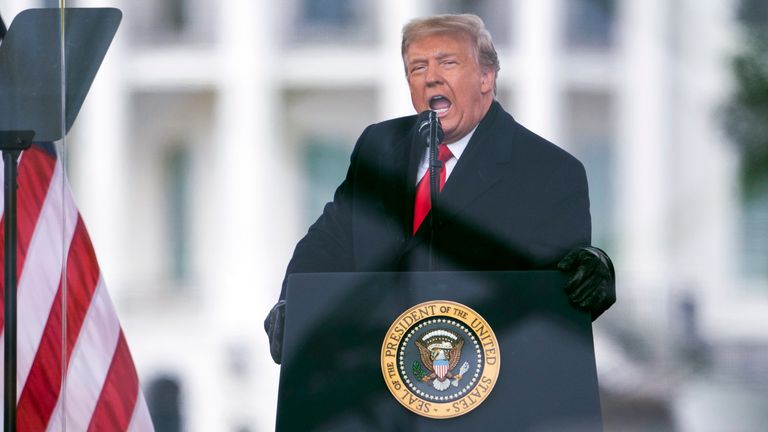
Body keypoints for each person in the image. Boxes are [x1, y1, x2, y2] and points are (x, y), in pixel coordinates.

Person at [265, 14, 615, 364]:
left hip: (487, 386)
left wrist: (593, 270)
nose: (431, 77)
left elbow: (564, 285)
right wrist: (292, 304)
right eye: (417, 67)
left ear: (486, 77)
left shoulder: (548, 170)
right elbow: (330, 241)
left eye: (448, 62)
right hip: (374, 382)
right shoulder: (379, 146)